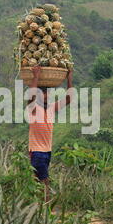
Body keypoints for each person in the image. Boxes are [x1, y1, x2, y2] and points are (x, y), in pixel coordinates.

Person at [27, 65, 74, 203]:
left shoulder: (52, 108)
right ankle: (47, 210)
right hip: (37, 151)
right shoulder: (34, 109)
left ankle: (35, 208)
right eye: (44, 93)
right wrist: (36, 76)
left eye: (49, 93)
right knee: (45, 181)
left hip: (47, 151)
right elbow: (31, 96)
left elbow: (68, 99)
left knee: (36, 180)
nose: (47, 95)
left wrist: (69, 78)